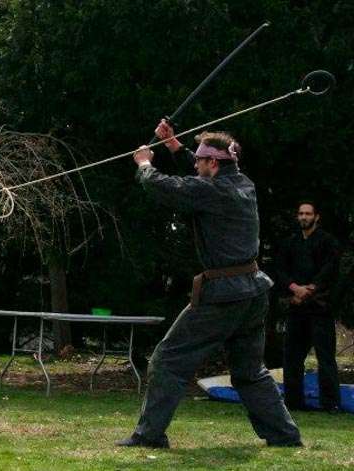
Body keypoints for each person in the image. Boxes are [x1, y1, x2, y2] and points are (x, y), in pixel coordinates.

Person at [116, 120, 301, 449]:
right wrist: (173, 144)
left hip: (224, 295)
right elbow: (199, 173)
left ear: (213, 163)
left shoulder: (213, 191)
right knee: (250, 372)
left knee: (167, 360)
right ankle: (285, 437)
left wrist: (145, 164)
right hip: (253, 292)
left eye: (201, 161)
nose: (197, 164)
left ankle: (149, 435)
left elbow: (167, 188)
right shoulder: (243, 184)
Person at [277, 201, 341, 412]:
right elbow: (281, 270)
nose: (304, 217)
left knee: (325, 357)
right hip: (296, 307)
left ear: (316, 217)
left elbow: (329, 269)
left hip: (319, 307)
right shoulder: (291, 243)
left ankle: (330, 403)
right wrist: (295, 288)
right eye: (301, 214)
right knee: (292, 356)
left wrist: (310, 289)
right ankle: (293, 402)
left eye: (308, 214)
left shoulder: (327, 242)